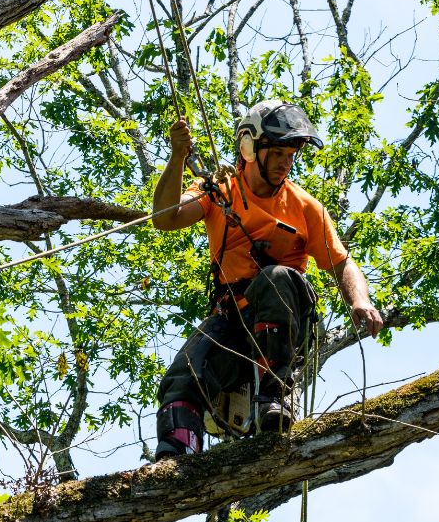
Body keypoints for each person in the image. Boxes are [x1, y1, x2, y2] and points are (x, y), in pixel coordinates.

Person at [151, 100, 383, 460]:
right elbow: (166, 218)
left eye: (291, 153)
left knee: (274, 278)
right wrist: (178, 157)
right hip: (233, 319)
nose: (285, 161)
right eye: (277, 152)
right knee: (183, 376)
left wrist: (360, 300)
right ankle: (176, 457)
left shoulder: (305, 207)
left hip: (282, 327)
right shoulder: (219, 189)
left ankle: (274, 396)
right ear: (249, 147)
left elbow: (342, 263)